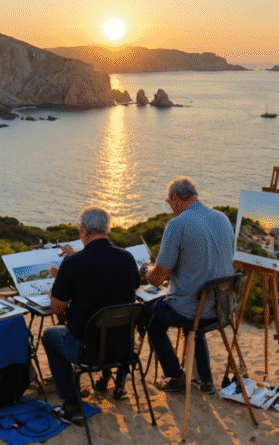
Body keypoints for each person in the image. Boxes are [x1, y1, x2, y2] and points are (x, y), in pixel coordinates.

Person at [41, 207, 140, 424]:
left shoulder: (73, 263)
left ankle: (71, 401)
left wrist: (63, 282)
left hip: (89, 353)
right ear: (107, 229)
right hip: (123, 348)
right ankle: (112, 381)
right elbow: (129, 290)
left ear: (83, 229)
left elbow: (56, 308)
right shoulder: (127, 258)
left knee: (49, 336)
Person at [141, 176, 235, 393]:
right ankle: (205, 379)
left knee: (150, 316)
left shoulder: (177, 225)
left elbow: (158, 278)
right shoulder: (222, 218)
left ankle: (175, 376)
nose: (170, 207)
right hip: (222, 309)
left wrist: (146, 271)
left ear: (175, 197)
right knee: (193, 310)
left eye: (169, 202)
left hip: (195, 312)